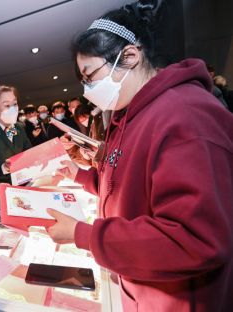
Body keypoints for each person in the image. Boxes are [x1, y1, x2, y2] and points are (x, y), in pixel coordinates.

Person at [46, 1, 233, 311]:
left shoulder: (185, 114)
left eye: (91, 75)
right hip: (140, 283)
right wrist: (81, 177)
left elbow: (194, 239)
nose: (88, 89)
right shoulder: (128, 115)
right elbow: (125, 182)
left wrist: (85, 235)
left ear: (130, 56)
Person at [0, 85, 31, 183]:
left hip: (26, 182)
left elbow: (28, 150)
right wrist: (4, 167)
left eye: (15, 104)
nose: (13, 109)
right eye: (7, 105)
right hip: (2, 187)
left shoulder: (19, 127)